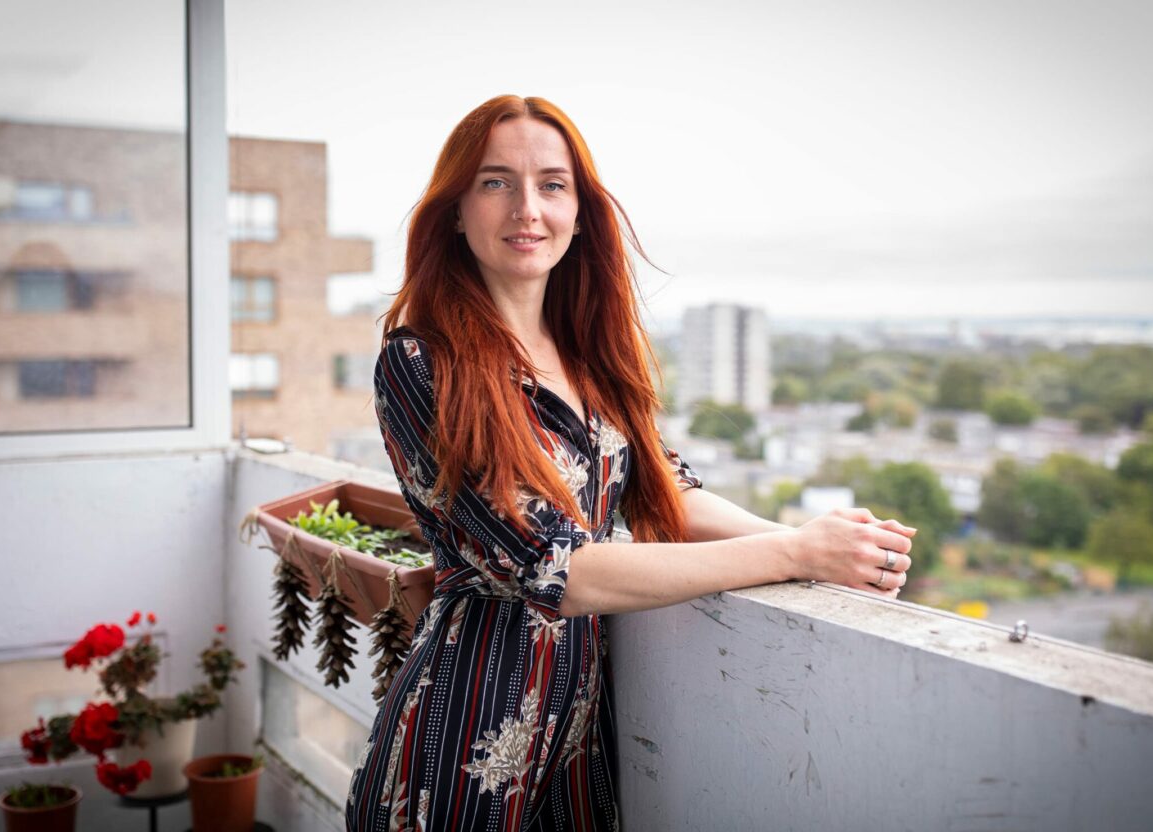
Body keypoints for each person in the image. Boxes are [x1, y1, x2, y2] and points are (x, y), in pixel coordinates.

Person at [344, 94, 915, 832]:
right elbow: (558, 570)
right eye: (495, 182)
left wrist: (823, 545)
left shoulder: (588, 356)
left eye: (552, 184)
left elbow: (663, 491)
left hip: (578, 745)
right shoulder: (422, 361)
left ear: (579, 212)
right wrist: (792, 550)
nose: (527, 208)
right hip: (463, 735)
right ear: (455, 210)